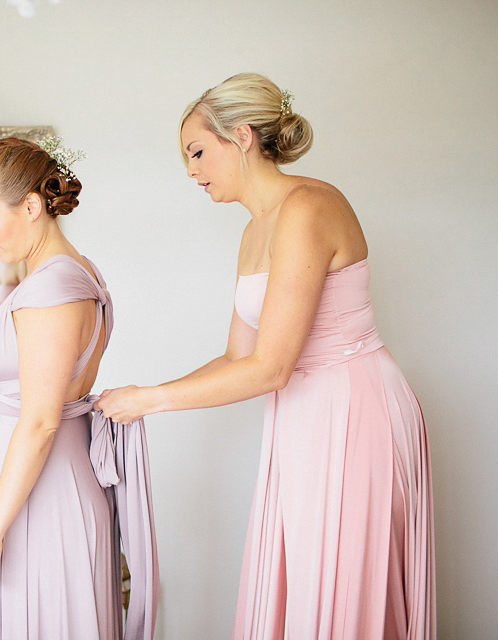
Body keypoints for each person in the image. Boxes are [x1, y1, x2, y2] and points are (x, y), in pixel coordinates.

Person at [95, 73, 435, 639]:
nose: (191, 171)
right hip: (301, 414)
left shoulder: (309, 206)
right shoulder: (256, 231)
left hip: (354, 409)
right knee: (304, 574)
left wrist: (149, 401)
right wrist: (138, 394)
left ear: (243, 136)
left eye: (198, 151)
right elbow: (237, 356)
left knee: (344, 581)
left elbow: (270, 367)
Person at [0, 137, 157, 639]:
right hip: (48, 480)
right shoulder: (74, 272)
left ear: (30, 206)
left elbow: (41, 421)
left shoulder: (50, 290)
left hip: (42, 491)